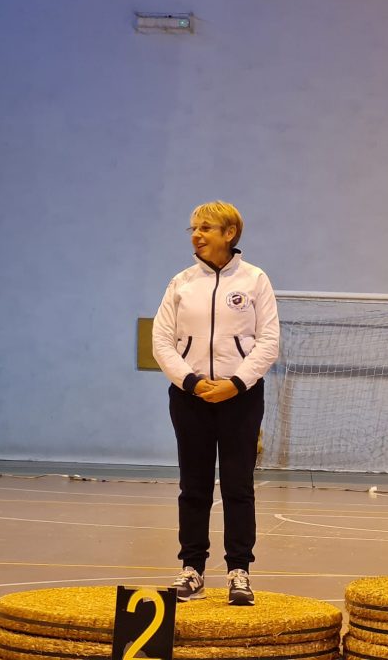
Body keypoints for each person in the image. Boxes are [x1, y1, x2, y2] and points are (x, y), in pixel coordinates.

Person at [152, 201, 280, 606]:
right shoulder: (181, 283)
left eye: (206, 228)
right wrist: (191, 382)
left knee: (239, 486)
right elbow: (161, 342)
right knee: (194, 487)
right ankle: (192, 569)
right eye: (193, 228)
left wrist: (236, 384)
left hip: (241, 398)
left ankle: (239, 572)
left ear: (229, 233)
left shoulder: (255, 280)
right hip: (190, 399)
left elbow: (268, 342)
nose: (197, 235)